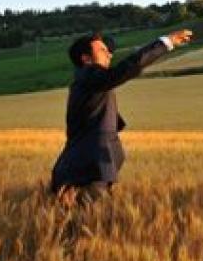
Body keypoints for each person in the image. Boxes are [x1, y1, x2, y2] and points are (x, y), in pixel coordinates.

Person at [50, 29, 193, 206]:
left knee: (92, 217)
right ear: (86, 59)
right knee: (92, 216)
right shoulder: (89, 75)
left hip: (91, 163)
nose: (109, 54)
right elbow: (126, 69)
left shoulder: (87, 80)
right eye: (102, 50)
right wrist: (165, 43)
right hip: (91, 165)